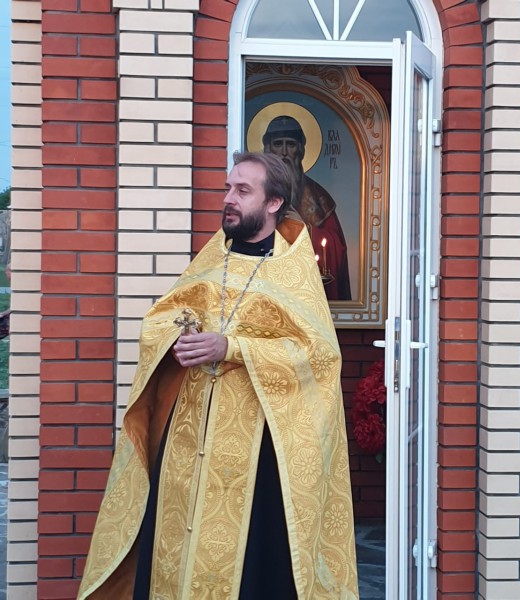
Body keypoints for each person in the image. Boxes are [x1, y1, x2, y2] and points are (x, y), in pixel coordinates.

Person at [78, 152, 358, 599]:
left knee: (253, 570)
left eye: (242, 191)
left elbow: (318, 355)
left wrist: (232, 347)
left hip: (258, 451)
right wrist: (176, 337)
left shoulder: (292, 269)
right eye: (228, 188)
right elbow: (160, 320)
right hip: (188, 441)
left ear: (273, 203)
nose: (228, 198)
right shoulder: (212, 259)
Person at [263, 115, 352, 301]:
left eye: (291, 144)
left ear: (301, 150)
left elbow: (336, 248)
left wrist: (305, 228)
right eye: (278, 144)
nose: (284, 152)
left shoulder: (318, 196)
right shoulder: (258, 191)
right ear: (268, 149)